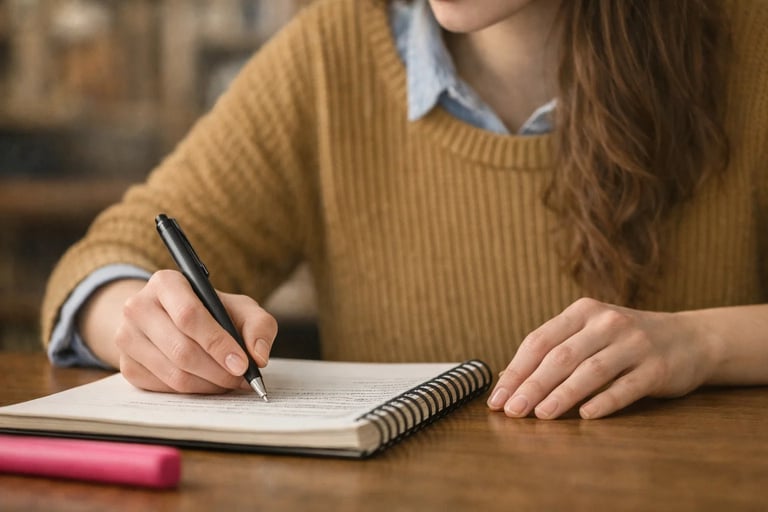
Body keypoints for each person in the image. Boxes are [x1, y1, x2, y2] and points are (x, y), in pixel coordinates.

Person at [42, 0, 768, 420]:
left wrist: (701, 344)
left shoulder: (749, 40)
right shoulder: (335, 51)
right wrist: (138, 320)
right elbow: (104, 259)